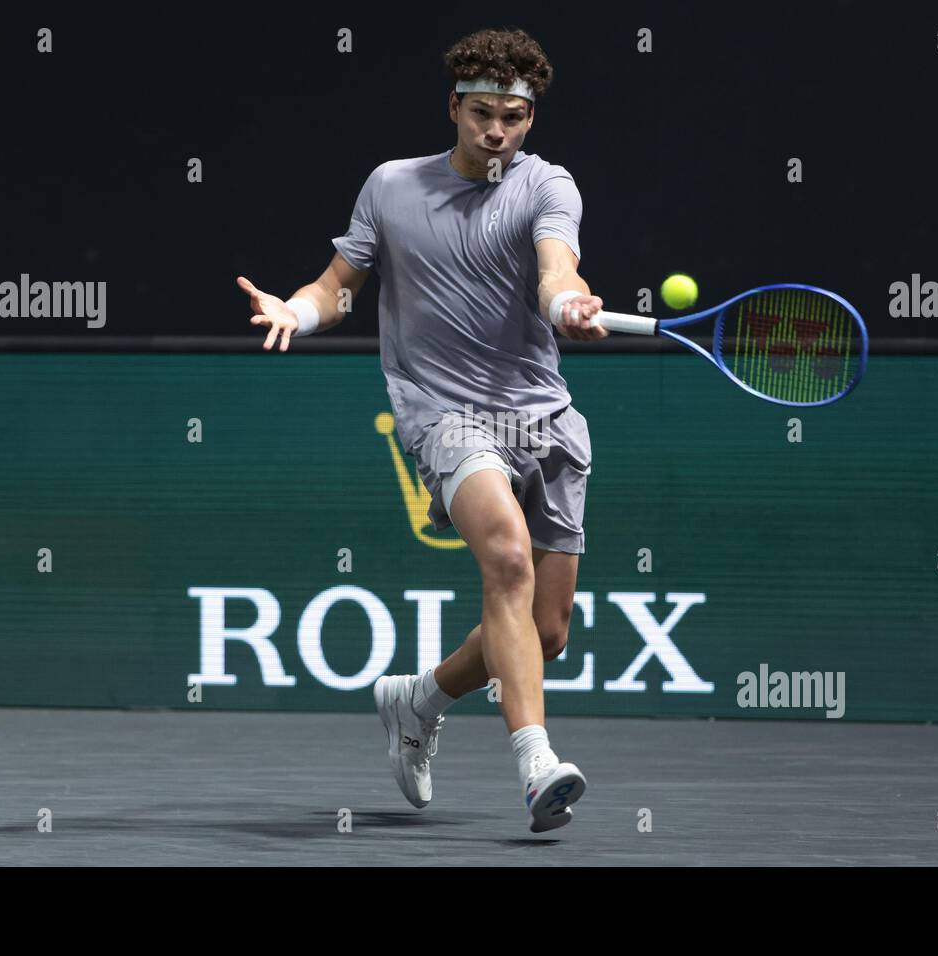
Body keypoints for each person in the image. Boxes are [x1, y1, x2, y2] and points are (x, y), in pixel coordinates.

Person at [235, 27, 606, 832]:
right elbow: (340, 285)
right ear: (454, 108)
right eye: (481, 114)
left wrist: (565, 303)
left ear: (530, 118)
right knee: (505, 555)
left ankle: (420, 698)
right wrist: (296, 312)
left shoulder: (549, 186)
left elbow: (556, 268)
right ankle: (536, 761)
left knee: (546, 634)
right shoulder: (392, 187)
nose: (496, 132)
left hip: (541, 416)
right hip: (444, 414)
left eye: (512, 116)